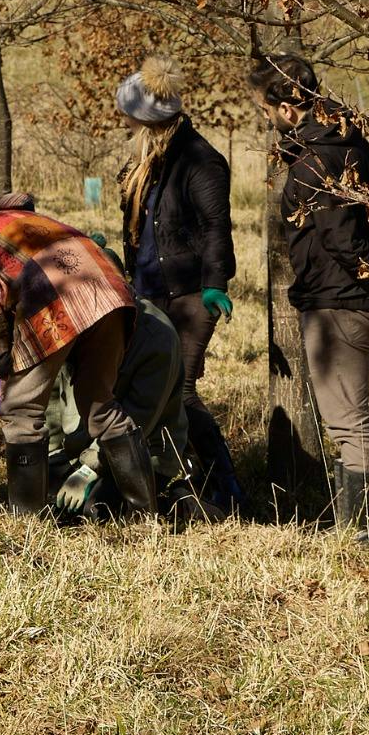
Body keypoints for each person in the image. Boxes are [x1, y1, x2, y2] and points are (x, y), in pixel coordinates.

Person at [247, 53, 369, 540]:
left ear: (285, 108)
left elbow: (345, 239)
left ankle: (361, 539)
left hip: (341, 302)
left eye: (264, 109)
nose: (265, 119)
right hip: (350, 297)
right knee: (348, 416)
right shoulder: (348, 142)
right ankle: (356, 533)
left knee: (347, 422)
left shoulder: (317, 159)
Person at [0, 192, 155, 518]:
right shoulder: (18, 219)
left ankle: (27, 522)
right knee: (100, 406)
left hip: (56, 299)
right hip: (112, 290)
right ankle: (145, 515)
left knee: (20, 410)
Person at [114, 54, 247, 513]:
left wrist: (215, 284)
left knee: (182, 390)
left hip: (190, 294)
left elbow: (216, 225)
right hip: (150, 291)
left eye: (130, 117)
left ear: (147, 118)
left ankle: (225, 485)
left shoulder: (200, 160)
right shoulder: (149, 161)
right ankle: (176, 482)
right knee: (157, 391)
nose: (125, 124)